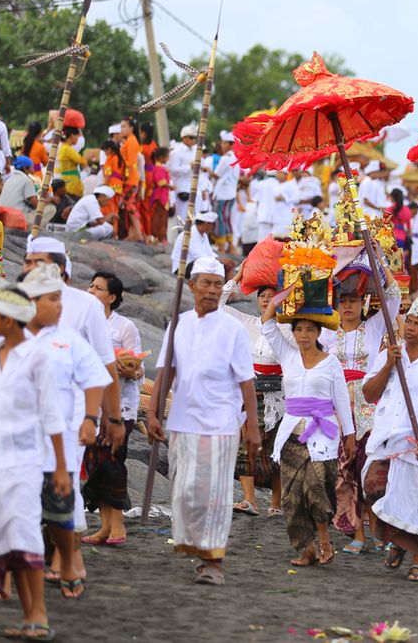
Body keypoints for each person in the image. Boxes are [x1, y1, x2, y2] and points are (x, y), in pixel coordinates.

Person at [147, 257, 260, 585]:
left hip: (221, 423)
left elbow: (246, 381)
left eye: (217, 283)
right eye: (205, 283)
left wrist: (252, 426)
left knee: (214, 493)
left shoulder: (233, 330)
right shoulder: (178, 323)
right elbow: (166, 371)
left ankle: (213, 560)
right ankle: (194, 545)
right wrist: (153, 414)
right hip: (183, 420)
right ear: (192, 286)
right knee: (184, 491)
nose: (211, 289)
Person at [18, 263, 111, 600]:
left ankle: (69, 561)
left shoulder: (67, 339)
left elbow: (95, 377)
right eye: (53, 300)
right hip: (14, 444)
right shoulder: (8, 335)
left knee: (60, 514)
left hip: (58, 441)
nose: (61, 307)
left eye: (61, 299)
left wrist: (91, 418)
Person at [0, 282, 70, 641]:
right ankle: (27, 615)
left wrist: (58, 466)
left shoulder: (38, 358)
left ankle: (38, 614)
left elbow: (52, 415)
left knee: (24, 534)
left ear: (8, 320)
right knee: (5, 538)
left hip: (25, 460)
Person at [361, 297, 418, 582]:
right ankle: (399, 541)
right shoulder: (389, 354)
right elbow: (369, 394)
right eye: (409, 321)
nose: (411, 327)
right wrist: (389, 364)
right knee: (373, 487)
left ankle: (417, 561)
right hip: (387, 440)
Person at [260, 294, 354, 567]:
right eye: (298, 329)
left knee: (317, 488)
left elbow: (340, 401)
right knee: (291, 494)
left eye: (309, 330)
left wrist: (349, 436)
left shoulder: (331, 362)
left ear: (318, 332)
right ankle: (307, 547)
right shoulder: (288, 355)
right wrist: (284, 293)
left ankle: (325, 540)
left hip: (322, 433)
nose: (303, 335)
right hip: (291, 431)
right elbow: (267, 322)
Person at [322, 272, 400, 554]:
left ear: (363, 302)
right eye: (342, 301)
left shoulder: (375, 327)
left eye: (353, 301)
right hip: (337, 410)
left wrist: (379, 262)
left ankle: (380, 531)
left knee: (371, 470)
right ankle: (358, 533)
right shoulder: (327, 331)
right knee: (345, 473)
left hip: (370, 409)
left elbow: (394, 297)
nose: (347, 307)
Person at [81, 272, 142, 547]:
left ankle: (117, 525)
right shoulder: (83, 322)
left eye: (98, 288)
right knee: (95, 464)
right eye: (91, 286)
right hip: (91, 404)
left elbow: (137, 368)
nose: (91, 290)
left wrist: (124, 367)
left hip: (121, 406)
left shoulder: (124, 327)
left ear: (112, 297)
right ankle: (105, 526)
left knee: (112, 461)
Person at [220, 267, 285, 517]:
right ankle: (249, 500)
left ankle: (276, 504)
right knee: (244, 446)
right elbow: (218, 304)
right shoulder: (246, 322)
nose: (267, 300)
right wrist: (238, 276)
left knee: (276, 450)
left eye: (272, 296)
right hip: (249, 392)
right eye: (263, 296)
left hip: (280, 395)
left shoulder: (290, 329)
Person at [211, 132, 239, 252]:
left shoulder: (225, 158)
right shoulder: (236, 157)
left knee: (220, 219)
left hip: (222, 193)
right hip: (231, 193)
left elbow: (216, 174)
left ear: (229, 144)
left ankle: (222, 246)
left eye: (223, 143)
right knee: (226, 218)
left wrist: (206, 169)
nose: (221, 145)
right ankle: (230, 245)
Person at [118, 117, 143, 241]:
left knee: (130, 206)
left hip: (130, 178)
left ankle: (138, 233)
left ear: (131, 128)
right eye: (121, 126)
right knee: (129, 206)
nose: (121, 129)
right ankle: (134, 233)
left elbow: (131, 163)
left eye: (124, 126)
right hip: (128, 178)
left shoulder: (132, 141)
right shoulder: (129, 141)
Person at [0, 155, 43, 223]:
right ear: (25, 168)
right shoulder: (26, 180)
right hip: (16, 216)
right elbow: (36, 204)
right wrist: (49, 200)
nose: (33, 170)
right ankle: (34, 230)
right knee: (50, 208)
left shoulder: (9, 179)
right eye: (32, 168)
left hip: (2, 215)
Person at [168, 123, 198, 223]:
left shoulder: (194, 151)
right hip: (180, 188)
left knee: (192, 216)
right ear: (184, 138)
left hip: (193, 187)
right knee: (181, 216)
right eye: (191, 137)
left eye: (194, 137)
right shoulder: (176, 152)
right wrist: (189, 166)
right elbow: (173, 170)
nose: (193, 140)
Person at [56, 127, 87, 199]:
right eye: (77, 136)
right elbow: (81, 161)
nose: (78, 139)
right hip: (71, 185)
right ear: (72, 135)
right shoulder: (67, 148)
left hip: (67, 181)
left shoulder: (64, 147)